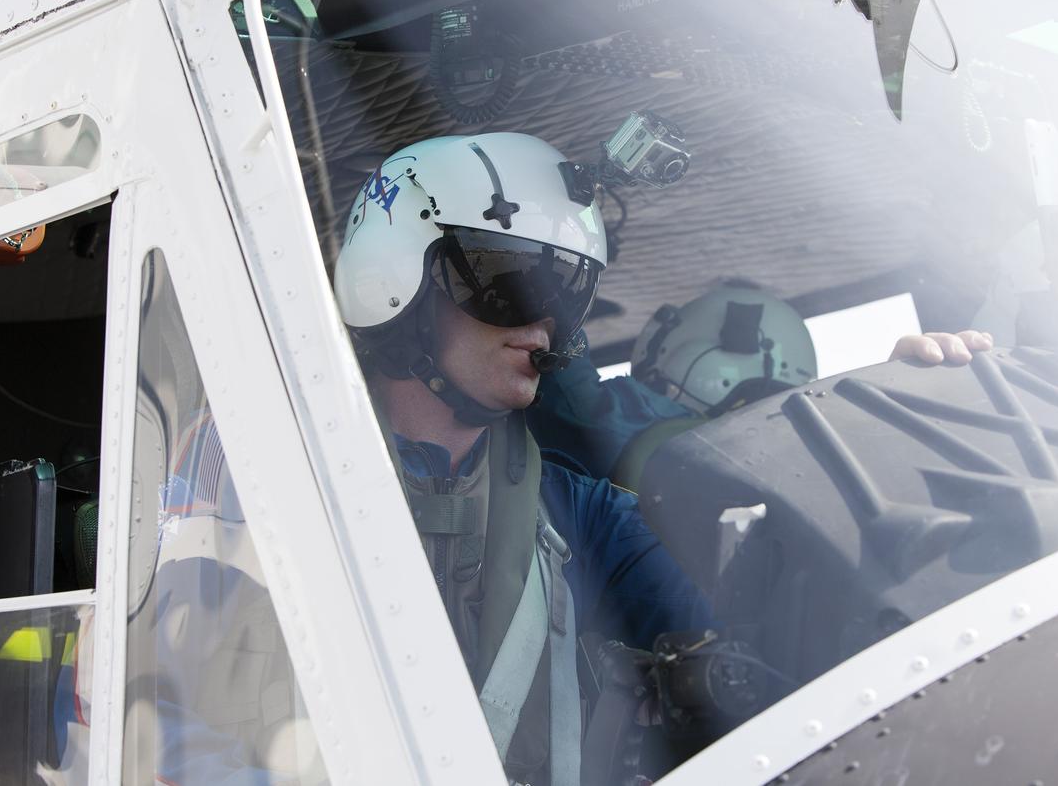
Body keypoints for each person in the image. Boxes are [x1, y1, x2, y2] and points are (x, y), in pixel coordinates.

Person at [332, 131, 991, 785]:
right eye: (507, 283)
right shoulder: (299, 480)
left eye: (566, 293)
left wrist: (872, 463)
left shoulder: (581, 516)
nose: (544, 324)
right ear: (399, 279)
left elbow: (753, 642)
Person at [529, 282, 993, 491]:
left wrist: (550, 285)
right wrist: (900, 408)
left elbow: (566, 386)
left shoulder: (638, 421)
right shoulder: (821, 447)